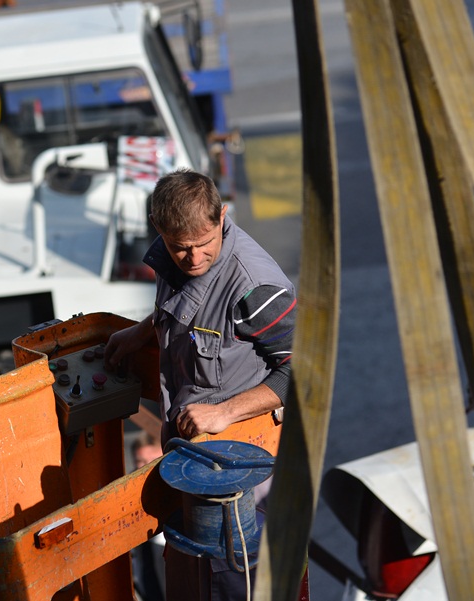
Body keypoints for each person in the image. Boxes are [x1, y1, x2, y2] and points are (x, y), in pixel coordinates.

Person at [104, 168, 296, 601]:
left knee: (232, 578)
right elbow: (192, 314)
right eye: (180, 248)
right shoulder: (173, 257)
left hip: (240, 468)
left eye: (204, 245)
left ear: (222, 217)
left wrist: (223, 411)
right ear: (160, 229)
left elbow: (304, 374)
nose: (192, 259)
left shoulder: (254, 286)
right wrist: (143, 332)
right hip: (192, 456)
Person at [131, 432, 166, 601]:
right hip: (144, 548)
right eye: (141, 462)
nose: (146, 468)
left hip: (169, 549)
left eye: (152, 461)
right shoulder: (129, 491)